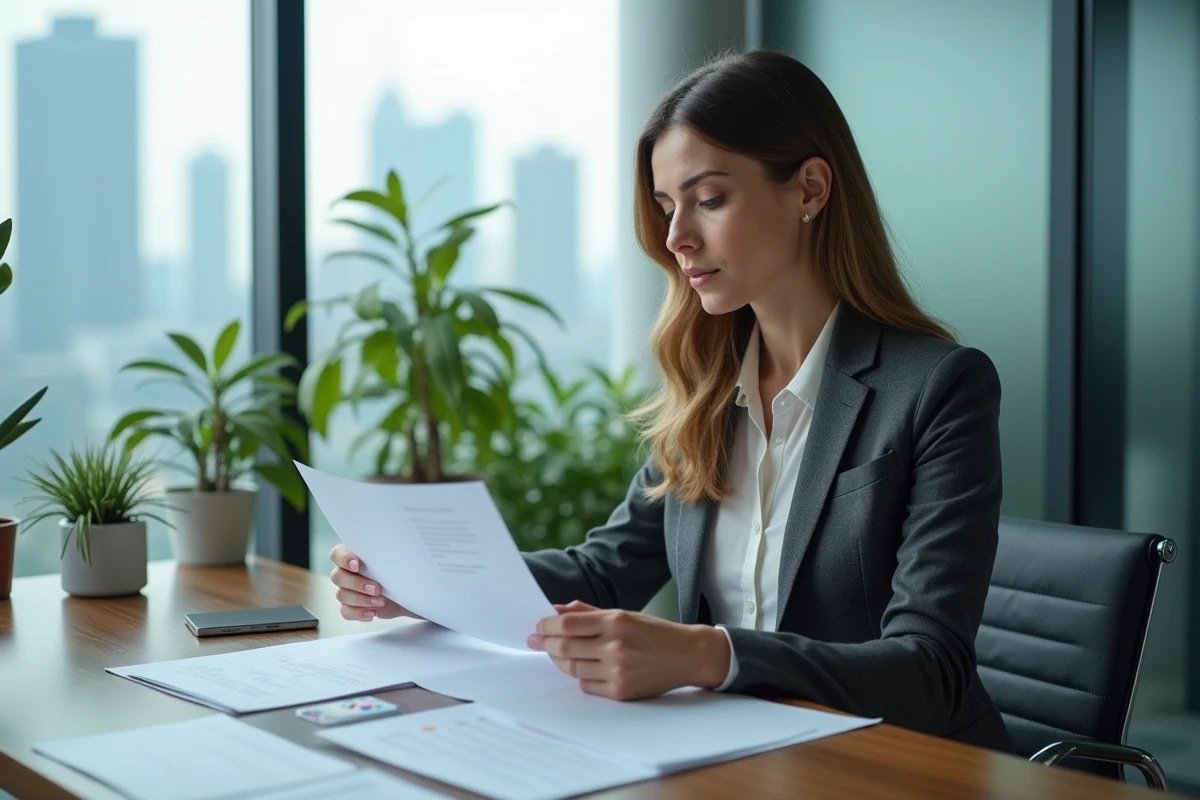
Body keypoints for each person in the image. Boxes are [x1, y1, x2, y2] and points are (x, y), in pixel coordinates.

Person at [328, 49, 1013, 752]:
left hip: (891, 766)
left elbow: (932, 672)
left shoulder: (938, 389)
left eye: (709, 199)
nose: (676, 237)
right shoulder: (707, 392)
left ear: (809, 188)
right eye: (665, 207)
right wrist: (423, 584)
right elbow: (603, 572)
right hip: (738, 757)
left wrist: (707, 655)